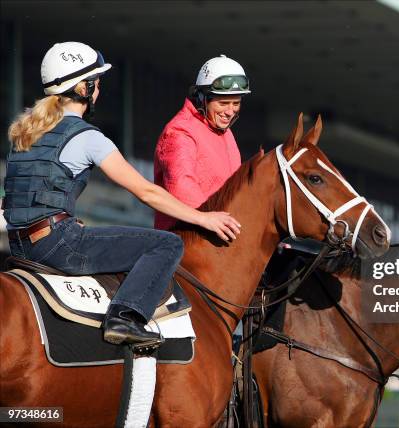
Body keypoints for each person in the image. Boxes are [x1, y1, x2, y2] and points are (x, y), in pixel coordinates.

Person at [2, 42, 240, 347]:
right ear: (84, 88)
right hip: (57, 245)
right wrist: (203, 218)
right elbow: (146, 192)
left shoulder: (25, 132)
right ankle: (124, 318)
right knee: (166, 244)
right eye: (97, 84)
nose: (99, 91)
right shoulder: (88, 137)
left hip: (19, 246)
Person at [154, 54, 248, 231]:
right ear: (201, 98)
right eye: (223, 103)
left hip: (220, 236)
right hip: (186, 241)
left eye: (236, 103)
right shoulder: (179, 132)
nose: (230, 111)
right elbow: (182, 186)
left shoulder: (226, 133)